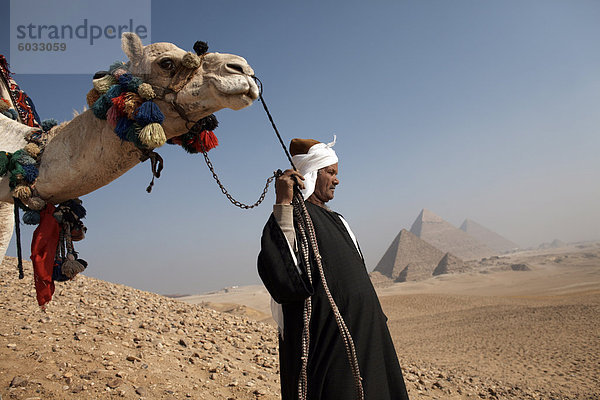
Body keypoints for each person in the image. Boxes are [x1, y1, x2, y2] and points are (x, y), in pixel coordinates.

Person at [258, 137, 410, 400]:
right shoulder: (292, 215)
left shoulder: (340, 221)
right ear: (310, 174)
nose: (337, 180)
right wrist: (283, 202)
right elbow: (282, 275)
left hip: (368, 335)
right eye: (330, 172)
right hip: (328, 343)